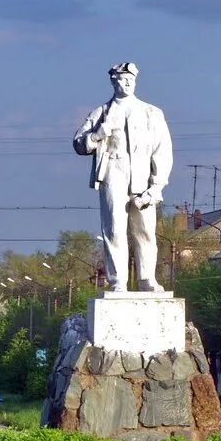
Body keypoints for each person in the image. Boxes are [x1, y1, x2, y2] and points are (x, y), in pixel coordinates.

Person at [73, 62, 173, 292]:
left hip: (142, 178)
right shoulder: (102, 112)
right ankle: (118, 281)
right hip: (113, 173)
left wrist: (156, 186)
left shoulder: (151, 113)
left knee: (145, 230)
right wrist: (97, 135)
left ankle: (147, 278)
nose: (127, 83)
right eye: (122, 79)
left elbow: (163, 151)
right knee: (115, 229)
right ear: (113, 81)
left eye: (131, 79)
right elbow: (79, 144)